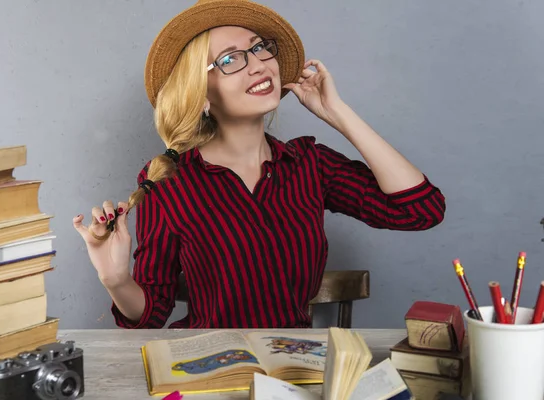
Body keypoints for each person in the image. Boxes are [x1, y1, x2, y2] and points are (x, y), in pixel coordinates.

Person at [73, 0, 446, 329]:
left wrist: (338, 113)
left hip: (294, 367)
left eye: (259, 48)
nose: (257, 65)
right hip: (211, 368)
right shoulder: (171, 182)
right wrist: (116, 279)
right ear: (200, 95)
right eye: (230, 59)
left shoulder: (309, 164)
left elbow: (420, 210)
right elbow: (151, 314)